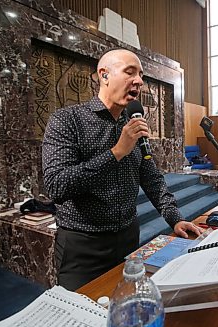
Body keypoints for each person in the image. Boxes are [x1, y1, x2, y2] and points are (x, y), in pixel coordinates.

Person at [42, 48, 202, 290]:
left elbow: (152, 180)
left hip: (129, 238)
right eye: (130, 72)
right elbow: (57, 185)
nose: (139, 81)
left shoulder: (133, 124)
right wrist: (117, 152)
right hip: (83, 245)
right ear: (104, 75)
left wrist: (175, 218)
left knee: (126, 308)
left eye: (140, 75)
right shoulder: (67, 120)